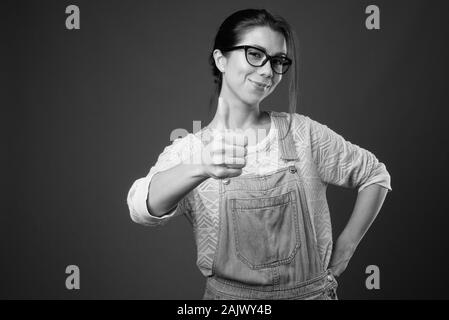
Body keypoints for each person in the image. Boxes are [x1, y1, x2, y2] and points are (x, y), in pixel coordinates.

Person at [126, 8, 392, 300]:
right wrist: (198, 166)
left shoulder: (302, 133)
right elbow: (141, 209)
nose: (268, 71)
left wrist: (347, 246)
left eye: (278, 61)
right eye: (255, 54)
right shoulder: (192, 149)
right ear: (221, 59)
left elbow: (374, 174)